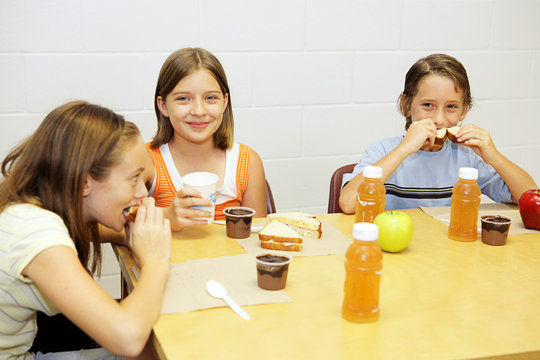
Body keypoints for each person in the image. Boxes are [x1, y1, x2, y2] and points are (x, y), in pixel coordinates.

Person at [0, 101, 171, 359]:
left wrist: (127, 233)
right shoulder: (35, 231)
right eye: (133, 178)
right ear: (84, 183)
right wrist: (155, 262)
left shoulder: (30, 208)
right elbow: (127, 337)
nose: (141, 193)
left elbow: (87, 232)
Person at [339, 54, 537, 213]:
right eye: (428, 105)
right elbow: (348, 204)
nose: (439, 119)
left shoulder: (467, 156)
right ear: (406, 105)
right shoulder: (382, 150)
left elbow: (529, 198)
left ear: (464, 110)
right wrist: (403, 150)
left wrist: (495, 158)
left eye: (451, 106)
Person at [144, 48, 267, 232]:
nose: (199, 111)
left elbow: (256, 236)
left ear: (224, 103)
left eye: (210, 98)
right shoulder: (145, 160)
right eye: (184, 99)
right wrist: (166, 216)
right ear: (163, 105)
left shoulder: (248, 162)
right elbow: (101, 226)